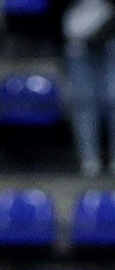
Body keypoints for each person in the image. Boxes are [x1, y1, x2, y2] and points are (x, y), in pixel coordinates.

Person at [62, 0, 115, 176]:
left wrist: (102, 33)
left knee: (112, 101)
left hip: (109, 46)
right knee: (84, 105)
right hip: (77, 48)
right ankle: (89, 159)